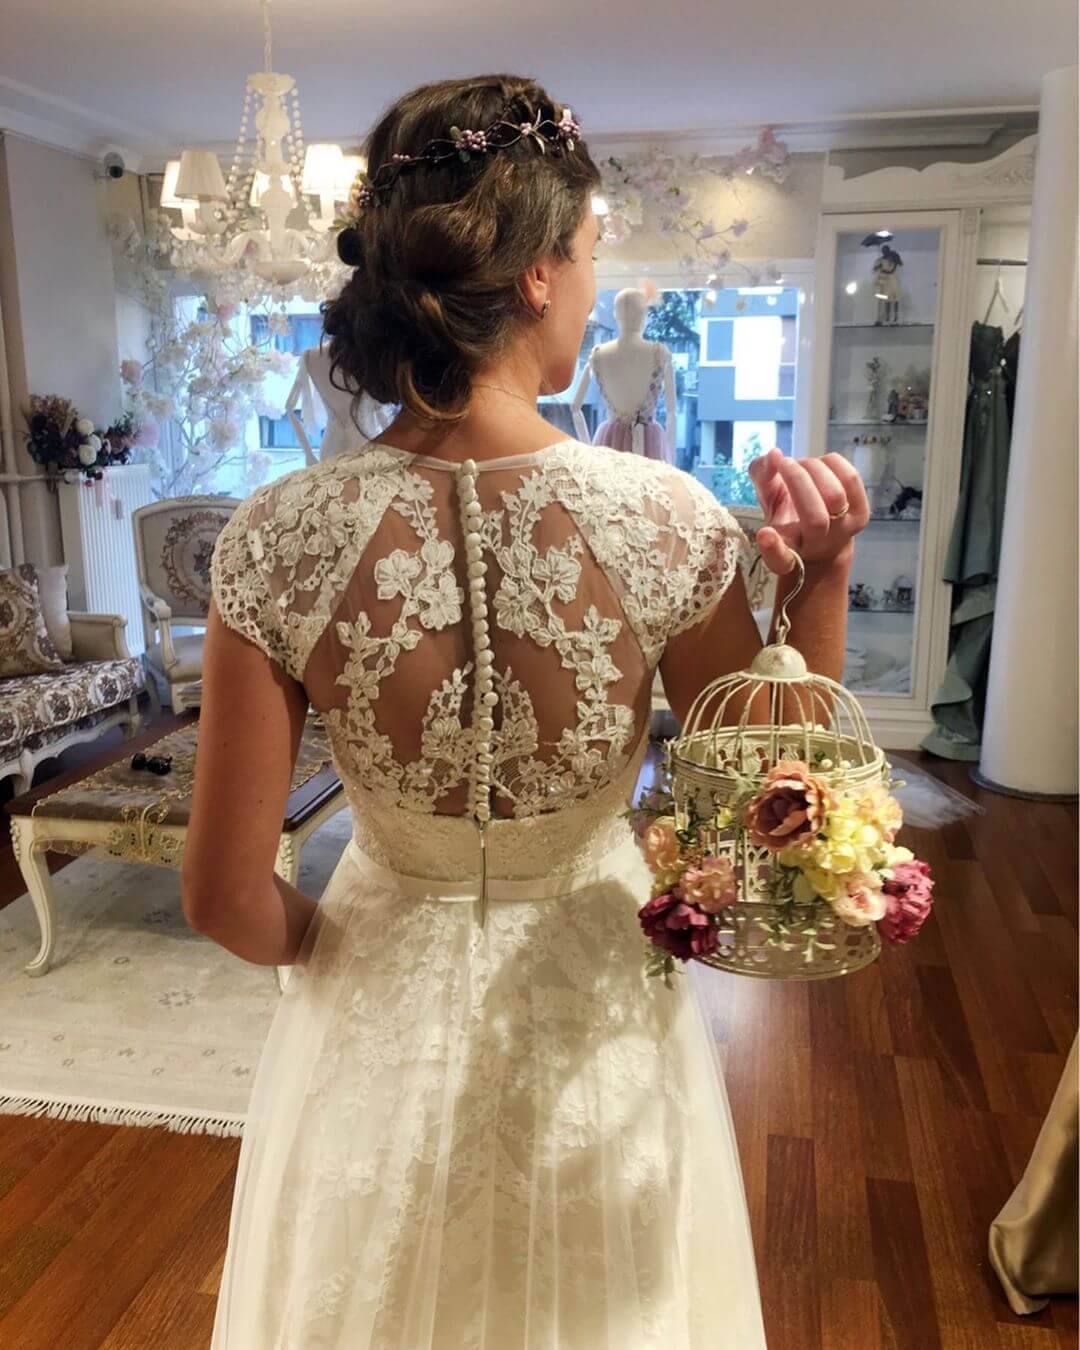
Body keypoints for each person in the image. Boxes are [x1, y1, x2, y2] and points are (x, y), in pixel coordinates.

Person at [182, 72, 867, 1349]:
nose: (598, 286)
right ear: (541, 274)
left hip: (377, 1007)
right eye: (593, 251)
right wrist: (820, 584)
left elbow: (224, 898)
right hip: (595, 1006)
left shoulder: (274, 536)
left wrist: (343, 954)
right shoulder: (665, 520)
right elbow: (769, 826)